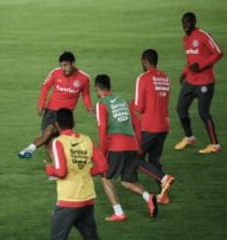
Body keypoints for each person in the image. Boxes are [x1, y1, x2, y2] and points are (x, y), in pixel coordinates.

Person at [95, 74, 159, 222]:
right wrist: (138, 146)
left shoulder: (101, 104)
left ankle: (119, 212)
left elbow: (103, 129)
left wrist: (102, 154)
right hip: (131, 144)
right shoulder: (123, 100)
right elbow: (137, 123)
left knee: (105, 177)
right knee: (127, 181)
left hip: (116, 146)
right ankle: (149, 197)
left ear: (97, 88)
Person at [18, 51, 93, 160]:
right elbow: (45, 87)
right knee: (48, 139)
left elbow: (85, 94)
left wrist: (88, 107)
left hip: (65, 115)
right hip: (50, 111)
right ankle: (55, 166)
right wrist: (41, 103)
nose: (63, 68)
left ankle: (30, 149)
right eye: (61, 65)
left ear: (73, 63)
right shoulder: (55, 73)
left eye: (66, 65)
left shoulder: (84, 78)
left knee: (51, 134)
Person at [44, 108, 106, 240]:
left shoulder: (59, 142)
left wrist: (49, 169)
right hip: (87, 200)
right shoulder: (87, 140)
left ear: (57, 125)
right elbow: (103, 166)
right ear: (74, 123)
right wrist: (86, 172)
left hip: (69, 201)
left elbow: (61, 172)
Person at [175, 12, 223, 153]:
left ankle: (215, 145)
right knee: (181, 108)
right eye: (183, 23)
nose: (185, 26)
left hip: (205, 82)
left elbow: (218, 52)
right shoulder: (186, 39)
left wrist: (201, 66)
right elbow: (191, 61)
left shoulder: (202, 35)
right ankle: (189, 137)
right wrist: (184, 73)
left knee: (203, 113)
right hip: (190, 81)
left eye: (188, 22)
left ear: (194, 22)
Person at [132, 49, 175, 204]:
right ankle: (164, 195)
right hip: (164, 125)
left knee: (134, 159)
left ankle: (164, 178)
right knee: (155, 160)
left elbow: (138, 106)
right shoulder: (165, 78)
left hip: (149, 126)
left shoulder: (143, 78)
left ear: (144, 61)